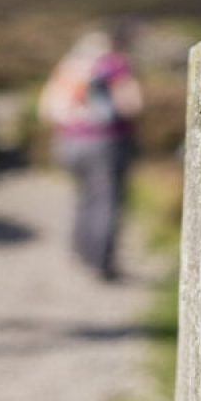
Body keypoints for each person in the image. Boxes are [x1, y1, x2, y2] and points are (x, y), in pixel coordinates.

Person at [38, 26, 143, 281]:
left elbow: (45, 109)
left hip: (69, 142)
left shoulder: (69, 66)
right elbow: (132, 104)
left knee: (83, 197)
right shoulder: (114, 65)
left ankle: (81, 253)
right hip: (105, 143)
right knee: (106, 201)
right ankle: (101, 263)